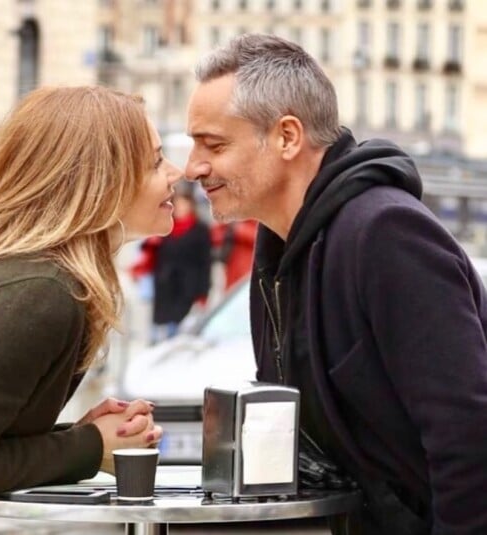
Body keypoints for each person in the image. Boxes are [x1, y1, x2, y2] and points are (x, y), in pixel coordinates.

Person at [185, 33, 487, 535]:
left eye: (213, 144)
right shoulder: (281, 251)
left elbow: (469, 434)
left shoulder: (384, 234)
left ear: (287, 137)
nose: (193, 166)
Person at [0, 85, 183, 534]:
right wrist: (90, 447)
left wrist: (82, 439)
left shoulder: (27, 278)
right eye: (154, 161)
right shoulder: (38, 292)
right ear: (102, 179)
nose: (178, 171)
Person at [132, 187, 212, 343]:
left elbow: (205, 262)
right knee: (160, 330)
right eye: (178, 204)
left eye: (184, 204)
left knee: (181, 331)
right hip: (165, 285)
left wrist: (203, 292)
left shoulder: (200, 230)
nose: (181, 208)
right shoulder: (164, 227)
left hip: (188, 287)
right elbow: (150, 252)